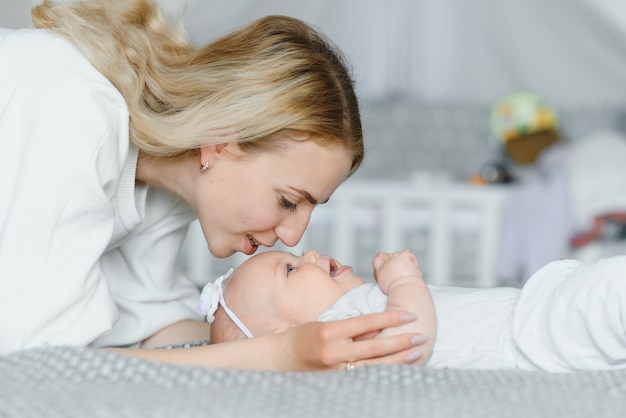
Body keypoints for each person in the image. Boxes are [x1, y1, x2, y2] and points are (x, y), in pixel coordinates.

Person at [0, 0, 426, 371]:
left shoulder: (171, 191)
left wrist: (320, 324)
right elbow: (38, 364)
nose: (294, 236)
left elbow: (157, 329)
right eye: (288, 201)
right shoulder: (75, 114)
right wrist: (278, 354)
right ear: (220, 142)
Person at [202, 248, 626, 373]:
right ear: (284, 335)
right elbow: (410, 346)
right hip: (534, 333)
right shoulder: (335, 330)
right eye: (291, 269)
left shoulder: (349, 312)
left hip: (538, 312)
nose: (311, 253)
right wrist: (403, 282)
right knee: (611, 290)